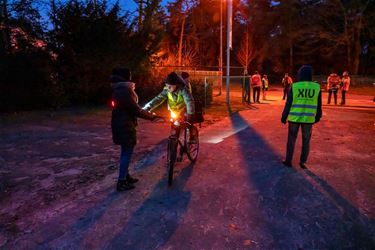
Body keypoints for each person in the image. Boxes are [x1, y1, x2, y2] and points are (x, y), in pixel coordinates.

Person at [110, 67, 156, 191]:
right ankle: (121, 181)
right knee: (126, 152)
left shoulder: (120, 89)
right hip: (124, 125)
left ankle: (126, 175)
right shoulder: (124, 90)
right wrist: (152, 117)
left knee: (126, 152)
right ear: (126, 77)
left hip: (122, 123)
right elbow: (135, 110)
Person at [281, 65, 322, 169]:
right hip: (308, 119)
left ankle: (288, 160)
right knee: (306, 140)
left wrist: (284, 116)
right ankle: (303, 162)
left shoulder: (295, 86)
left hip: (294, 118)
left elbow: (288, 103)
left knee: (291, 139)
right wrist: (318, 117)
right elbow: (319, 104)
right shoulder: (316, 87)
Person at [143, 72, 198, 141]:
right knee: (174, 128)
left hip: (185, 111)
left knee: (189, 124)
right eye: (167, 85)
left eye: (170, 86)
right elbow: (158, 99)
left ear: (176, 85)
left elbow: (189, 101)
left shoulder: (183, 90)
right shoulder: (166, 90)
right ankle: (174, 142)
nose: (168, 88)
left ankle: (192, 137)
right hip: (174, 112)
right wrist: (147, 107)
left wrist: (190, 114)